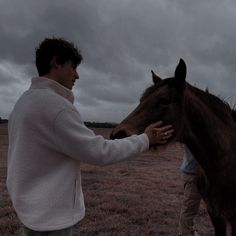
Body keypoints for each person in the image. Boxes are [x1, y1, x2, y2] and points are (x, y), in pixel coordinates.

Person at [7, 37, 174, 236]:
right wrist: (146, 139)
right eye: (73, 67)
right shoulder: (56, 108)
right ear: (55, 62)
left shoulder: (23, 103)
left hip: (29, 212)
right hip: (50, 221)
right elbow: (99, 152)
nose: (77, 75)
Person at [178, 146, 201, 236]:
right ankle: (184, 233)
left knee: (191, 207)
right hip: (193, 173)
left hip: (193, 171)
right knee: (189, 209)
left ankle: (190, 231)